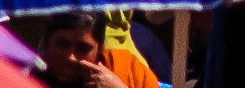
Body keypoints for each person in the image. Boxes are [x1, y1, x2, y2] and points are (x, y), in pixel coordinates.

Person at [11, 14, 160, 88]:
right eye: (62, 44)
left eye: (83, 48)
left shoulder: (129, 71)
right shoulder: (22, 77)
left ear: (100, 47)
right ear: (46, 43)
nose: (70, 57)